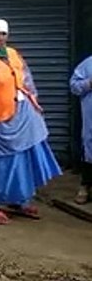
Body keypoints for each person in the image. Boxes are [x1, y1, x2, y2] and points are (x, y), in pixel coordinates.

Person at [0, 18, 62, 224]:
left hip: (22, 114)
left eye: (3, 34)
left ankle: (18, 201)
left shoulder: (13, 54)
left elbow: (27, 80)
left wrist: (34, 101)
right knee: (1, 163)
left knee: (24, 159)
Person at [69, 55, 92, 204]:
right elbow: (74, 86)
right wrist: (89, 83)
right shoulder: (88, 64)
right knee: (90, 152)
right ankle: (85, 186)